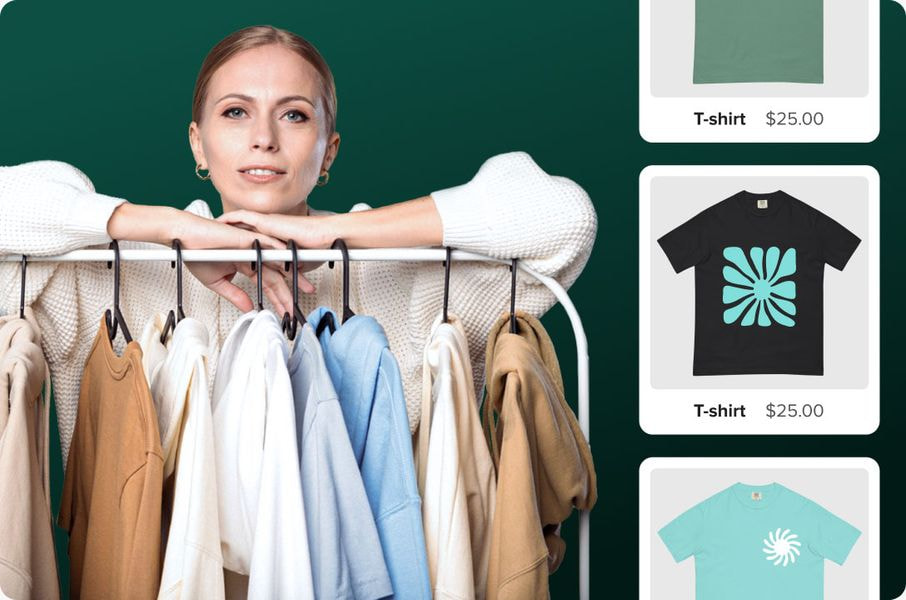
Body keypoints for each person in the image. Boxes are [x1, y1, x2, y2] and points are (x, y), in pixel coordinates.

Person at [0, 24, 598, 467]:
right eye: (235, 112)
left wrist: (332, 235)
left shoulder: (404, 277)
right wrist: (163, 228)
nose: (263, 139)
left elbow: (562, 217)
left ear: (328, 150)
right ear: (197, 146)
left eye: (292, 116)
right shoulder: (113, 274)